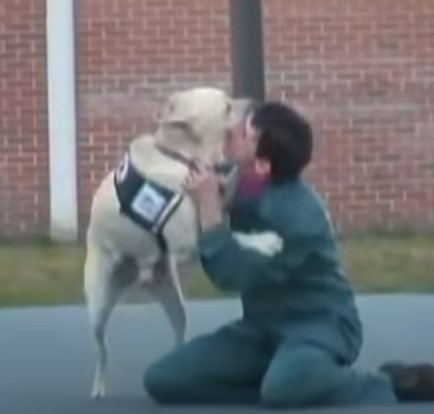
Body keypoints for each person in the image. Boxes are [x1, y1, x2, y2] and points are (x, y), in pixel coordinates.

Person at [142, 101, 427, 408]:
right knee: (163, 380)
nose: (232, 132)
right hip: (261, 329)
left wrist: (210, 212)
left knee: (283, 390)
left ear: (263, 165)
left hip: (319, 326)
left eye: (244, 134)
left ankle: (389, 383)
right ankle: (289, 382)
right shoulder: (242, 178)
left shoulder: (299, 218)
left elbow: (230, 274)